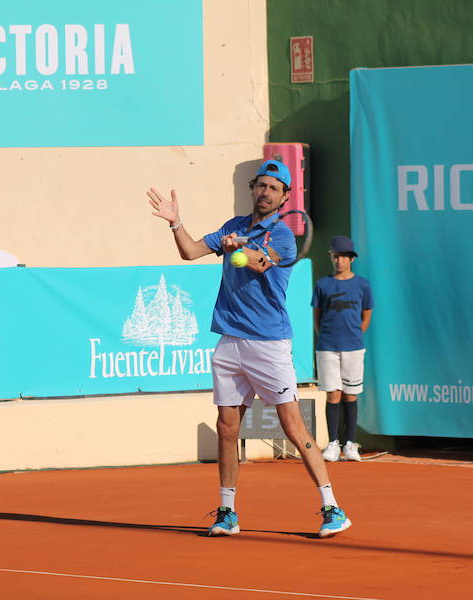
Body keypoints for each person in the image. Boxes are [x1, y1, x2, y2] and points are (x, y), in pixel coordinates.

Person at [146, 160, 352, 538]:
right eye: (261, 185)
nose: (265, 192)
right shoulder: (233, 226)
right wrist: (176, 223)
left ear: (285, 196)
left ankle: (332, 507)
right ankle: (227, 512)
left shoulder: (284, 236)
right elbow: (190, 252)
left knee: (292, 426)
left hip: (269, 343)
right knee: (227, 427)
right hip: (229, 340)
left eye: (274, 188)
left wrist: (236, 250)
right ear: (252, 188)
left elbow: (259, 263)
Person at [312, 236, 373, 462]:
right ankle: (332, 445)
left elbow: (367, 314)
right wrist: (325, 337)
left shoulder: (362, 285)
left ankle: (350, 445)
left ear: (351, 259)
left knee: (350, 395)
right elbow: (317, 317)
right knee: (333, 394)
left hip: (353, 347)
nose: (339, 261)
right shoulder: (322, 285)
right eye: (335, 256)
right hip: (327, 347)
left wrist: (356, 333)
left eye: (343, 257)